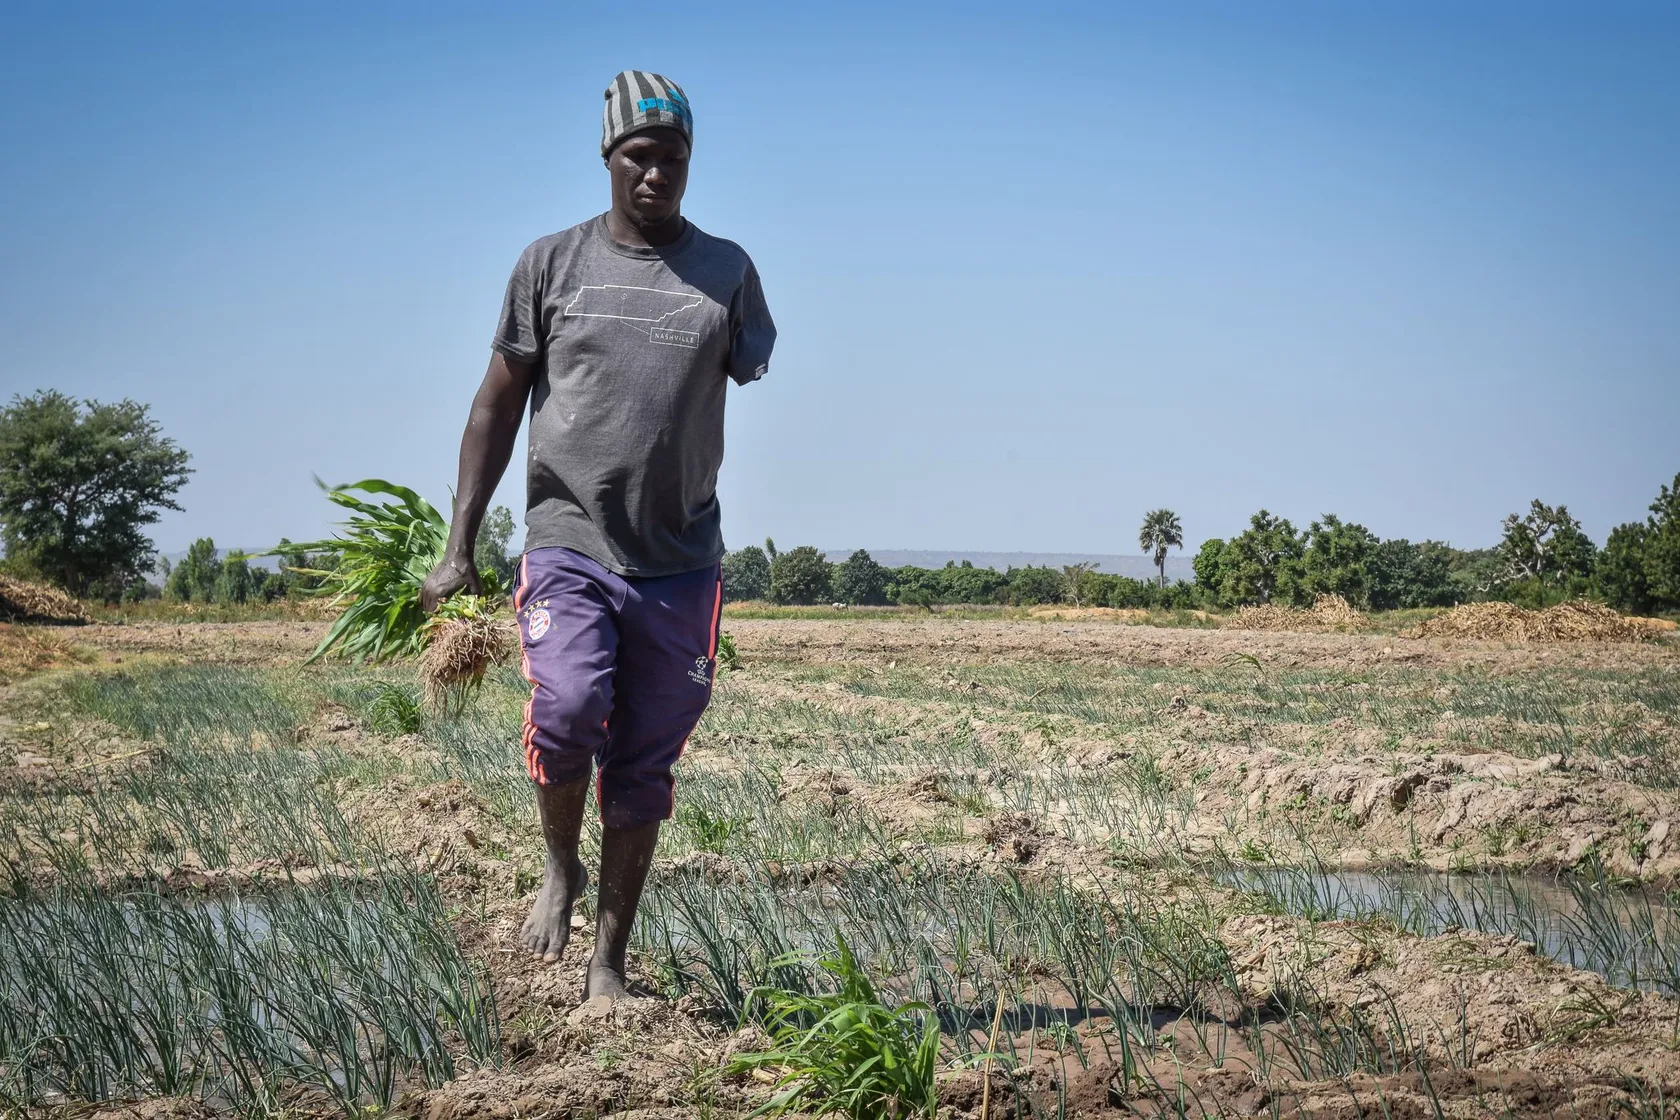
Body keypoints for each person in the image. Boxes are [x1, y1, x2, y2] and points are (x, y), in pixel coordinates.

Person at [421, 70, 774, 1000]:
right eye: (640, 157)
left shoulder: (728, 272)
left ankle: (608, 959)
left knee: (645, 763)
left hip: (680, 558)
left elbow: (746, 368)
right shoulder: (551, 265)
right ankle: (557, 867)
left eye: (675, 159)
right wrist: (459, 543)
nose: (657, 175)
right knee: (569, 709)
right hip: (567, 537)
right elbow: (496, 406)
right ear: (609, 159)